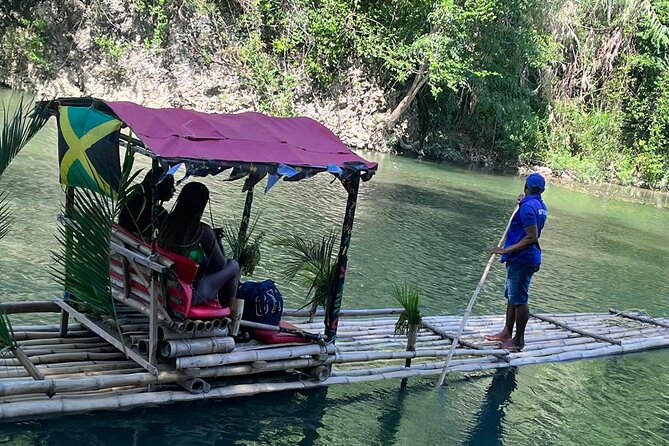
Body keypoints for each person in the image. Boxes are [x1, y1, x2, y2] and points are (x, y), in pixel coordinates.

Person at [485, 173, 548, 352]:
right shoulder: (539, 205)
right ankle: (507, 332)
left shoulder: (528, 207)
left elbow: (531, 237)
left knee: (519, 299)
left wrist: (505, 250)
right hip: (523, 258)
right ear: (542, 190)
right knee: (512, 297)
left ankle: (518, 340)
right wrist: (523, 202)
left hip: (523, 259)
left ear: (525, 186)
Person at [158, 181, 240, 307]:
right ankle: (228, 314)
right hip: (188, 296)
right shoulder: (201, 231)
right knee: (233, 265)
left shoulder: (167, 222)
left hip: (163, 289)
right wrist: (216, 240)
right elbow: (219, 265)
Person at [118, 166, 175, 239]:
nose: (173, 189)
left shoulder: (156, 207)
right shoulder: (138, 201)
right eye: (170, 185)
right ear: (159, 185)